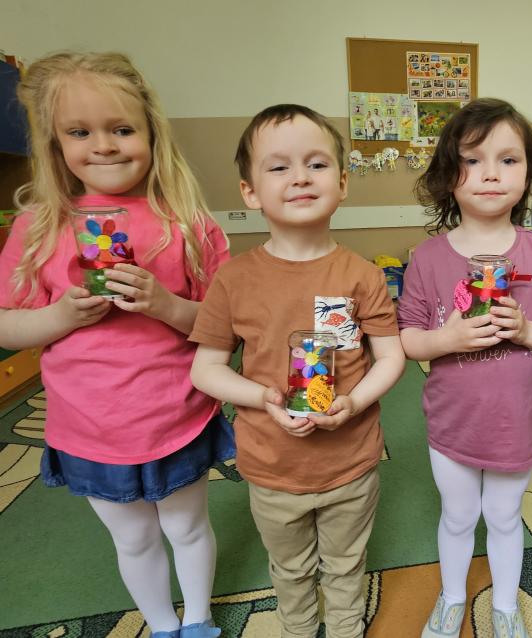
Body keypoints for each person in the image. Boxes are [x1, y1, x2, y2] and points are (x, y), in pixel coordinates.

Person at [0, 52, 233, 638]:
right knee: (133, 538)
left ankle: (198, 621)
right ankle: (162, 625)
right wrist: (58, 316)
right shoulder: (38, 227)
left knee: (187, 528)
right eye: (80, 132)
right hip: (89, 427)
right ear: (55, 144)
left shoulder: (186, 223)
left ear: (151, 134)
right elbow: (6, 325)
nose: (103, 146)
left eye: (122, 129)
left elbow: (228, 325)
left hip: (176, 415)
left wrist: (166, 305)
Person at [189, 104, 405, 638]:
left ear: (343, 182)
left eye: (317, 164)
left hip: (351, 462)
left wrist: (353, 402)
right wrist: (261, 396)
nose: (301, 177)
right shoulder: (234, 280)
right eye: (279, 166)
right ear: (250, 192)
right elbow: (206, 369)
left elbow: (391, 355)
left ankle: (347, 628)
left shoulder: (362, 276)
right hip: (272, 465)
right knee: (289, 568)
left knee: (346, 564)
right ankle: (298, 629)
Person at [397, 98, 532, 638]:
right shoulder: (427, 258)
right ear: (448, 175)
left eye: (508, 160)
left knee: (504, 517)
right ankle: (453, 597)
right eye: (472, 159)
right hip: (452, 423)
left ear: (529, 174)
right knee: (458, 516)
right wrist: (447, 339)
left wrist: (527, 331)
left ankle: (505, 606)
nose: (490, 174)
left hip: (516, 423)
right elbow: (408, 337)